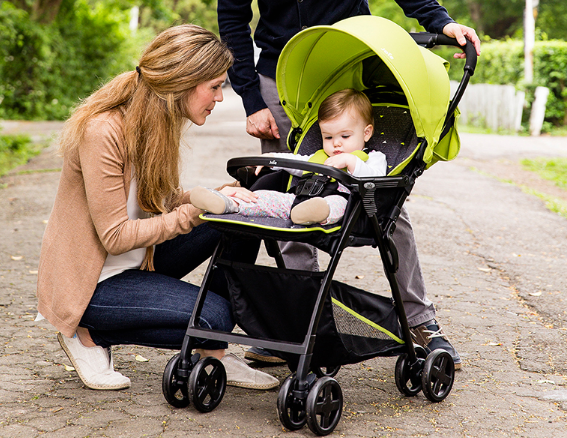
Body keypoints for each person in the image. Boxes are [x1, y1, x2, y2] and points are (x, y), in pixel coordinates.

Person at [218, 0, 482, 369]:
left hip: (348, 60)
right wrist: (250, 96)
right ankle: (299, 325)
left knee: (381, 201)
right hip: (284, 74)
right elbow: (232, 14)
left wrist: (440, 21)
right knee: (292, 203)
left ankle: (420, 322)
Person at [36, 24, 279, 391]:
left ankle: (214, 355)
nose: (219, 98)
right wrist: (193, 213)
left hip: (141, 259)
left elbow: (156, 199)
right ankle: (87, 332)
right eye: (214, 87)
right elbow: (116, 236)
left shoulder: (157, 122)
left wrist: (215, 196)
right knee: (214, 317)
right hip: (95, 283)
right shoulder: (103, 131)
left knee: (237, 215)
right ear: (182, 82)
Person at [190, 89, 386, 226]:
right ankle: (226, 202)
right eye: (328, 137)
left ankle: (315, 212)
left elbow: (377, 179)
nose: (336, 144)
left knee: (334, 204)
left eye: (345, 136)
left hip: (343, 205)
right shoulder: (319, 157)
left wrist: (351, 161)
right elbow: (295, 162)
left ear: (366, 133)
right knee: (262, 197)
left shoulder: (372, 158)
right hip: (296, 202)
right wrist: (270, 157)